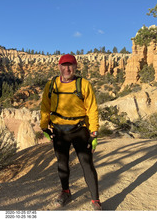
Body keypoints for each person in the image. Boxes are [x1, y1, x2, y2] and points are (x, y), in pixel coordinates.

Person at [40, 54, 101, 210]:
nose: (67, 69)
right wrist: (44, 127)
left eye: (70, 65)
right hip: (59, 132)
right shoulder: (51, 85)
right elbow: (45, 107)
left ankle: (95, 200)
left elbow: (92, 109)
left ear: (76, 67)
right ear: (59, 67)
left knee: (87, 165)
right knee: (62, 164)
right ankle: (65, 191)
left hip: (80, 130)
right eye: (64, 65)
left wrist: (94, 132)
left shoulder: (84, 84)